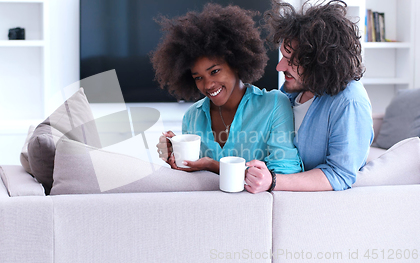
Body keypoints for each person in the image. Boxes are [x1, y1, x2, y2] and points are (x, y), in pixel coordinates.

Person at [151, 3, 302, 175]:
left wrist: (213, 165)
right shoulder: (192, 117)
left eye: (214, 71)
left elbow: (285, 172)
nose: (208, 85)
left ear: (236, 63)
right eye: (198, 78)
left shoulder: (273, 105)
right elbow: (196, 180)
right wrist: (177, 157)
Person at [244, 0, 373, 193]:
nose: (280, 67)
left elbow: (340, 175)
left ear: (321, 61)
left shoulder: (350, 101)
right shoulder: (291, 89)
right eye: (282, 57)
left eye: (291, 61)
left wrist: (273, 181)